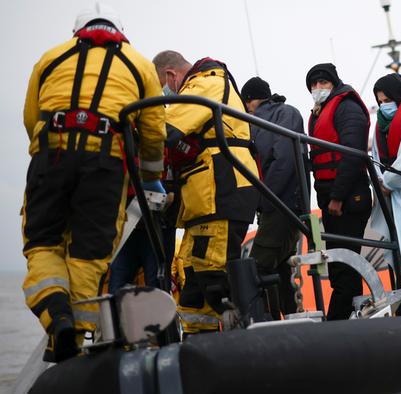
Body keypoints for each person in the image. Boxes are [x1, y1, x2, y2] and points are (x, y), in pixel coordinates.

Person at [22, 4, 165, 362]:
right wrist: (148, 177)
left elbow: (30, 117)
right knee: (90, 253)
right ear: (121, 33)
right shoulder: (139, 64)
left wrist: (49, 156)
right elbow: (153, 130)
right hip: (106, 162)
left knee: (43, 242)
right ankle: (77, 337)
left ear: (77, 32)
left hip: (50, 157)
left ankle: (56, 316)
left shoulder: (50, 58)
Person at [154, 50, 259, 334]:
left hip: (224, 188)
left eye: (163, 87)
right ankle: (199, 341)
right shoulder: (197, 87)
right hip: (204, 197)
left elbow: (166, 128)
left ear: (170, 75)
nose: (167, 95)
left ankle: (248, 335)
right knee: (190, 271)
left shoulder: (206, 82)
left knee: (212, 268)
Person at [306, 63, 371, 320]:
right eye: (313, 84)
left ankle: (338, 322)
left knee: (345, 268)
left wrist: (337, 197)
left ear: (333, 84)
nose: (317, 88)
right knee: (340, 267)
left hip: (348, 200)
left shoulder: (347, 108)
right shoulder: (319, 112)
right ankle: (351, 317)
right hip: (331, 202)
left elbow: (352, 154)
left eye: (323, 83)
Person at [240, 76, 306, 319]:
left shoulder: (273, 117)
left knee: (256, 267)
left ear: (248, 101)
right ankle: (289, 320)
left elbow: (284, 160)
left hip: (281, 203)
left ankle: (264, 323)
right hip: (280, 203)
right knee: (280, 264)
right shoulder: (285, 115)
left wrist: (265, 198)